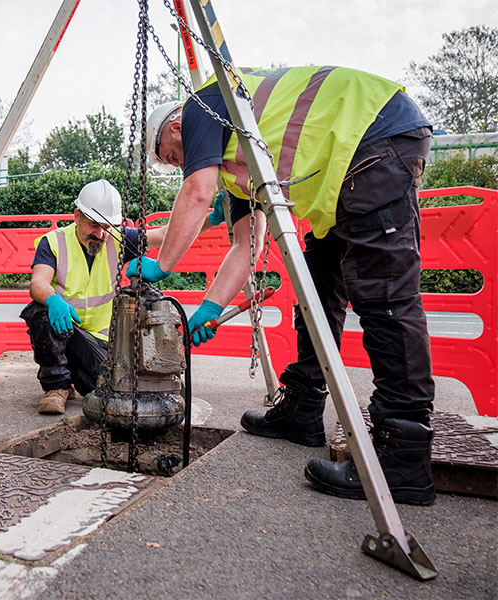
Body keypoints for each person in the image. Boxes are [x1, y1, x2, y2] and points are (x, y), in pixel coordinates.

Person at [131, 65, 436, 505]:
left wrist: (162, 266)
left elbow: (196, 193)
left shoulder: (203, 106)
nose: (183, 165)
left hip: (371, 134)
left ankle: (404, 455)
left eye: (175, 156)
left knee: (384, 296)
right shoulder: (239, 160)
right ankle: (304, 409)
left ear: (176, 126)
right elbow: (246, 248)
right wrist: (211, 306)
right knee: (317, 294)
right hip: (347, 168)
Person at [23, 179, 216, 415]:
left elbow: (167, 234)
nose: (100, 234)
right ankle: (56, 387)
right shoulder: (54, 242)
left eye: (107, 226)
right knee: (39, 312)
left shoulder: (118, 239)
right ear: (77, 216)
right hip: (63, 331)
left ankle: (73, 378)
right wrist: (53, 300)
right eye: (94, 225)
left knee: (109, 385)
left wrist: (212, 219)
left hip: (100, 342)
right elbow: (38, 283)